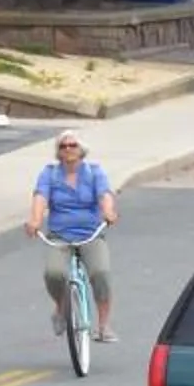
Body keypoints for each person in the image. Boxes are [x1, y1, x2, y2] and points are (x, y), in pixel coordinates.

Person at [27, 130, 118, 342]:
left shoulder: (94, 172)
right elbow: (40, 197)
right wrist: (35, 220)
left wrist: (108, 212)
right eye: (63, 146)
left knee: (101, 273)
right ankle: (61, 308)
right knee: (54, 273)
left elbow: (105, 194)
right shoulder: (49, 174)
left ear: (81, 150)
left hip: (90, 234)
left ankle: (104, 326)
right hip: (60, 236)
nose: (68, 149)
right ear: (58, 152)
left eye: (72, 145)